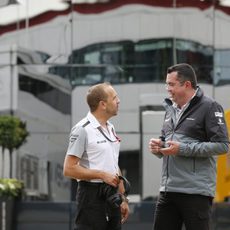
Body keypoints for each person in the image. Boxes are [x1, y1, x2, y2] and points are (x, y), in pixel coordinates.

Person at [149, 63, 229, 230]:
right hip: (167, 191)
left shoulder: (210, 107)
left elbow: (222, 146)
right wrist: (159, 147)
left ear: (187, 84)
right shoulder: (170, 108)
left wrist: (182, 149)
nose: (167, 89)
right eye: (167, 84)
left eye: (171, 84)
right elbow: (171, 144)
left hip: (196, 193)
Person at [63, 82, 129, 230]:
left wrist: (123, 198)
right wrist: (101, 175)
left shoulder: (110, 127)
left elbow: (113, 164)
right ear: (103, 104)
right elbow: (69, 169)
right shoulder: (82, 129)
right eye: (114, 98)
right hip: (91, 195)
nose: (118, 101)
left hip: (112, 194)